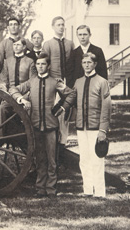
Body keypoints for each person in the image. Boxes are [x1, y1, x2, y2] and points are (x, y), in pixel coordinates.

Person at [10, 53, 76, 198]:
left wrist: (62, 108)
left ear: (48, 66)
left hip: (51, 126)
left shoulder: (55, 82)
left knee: (52, 159)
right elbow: (13, 89)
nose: (40, 67)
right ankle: (40, 188)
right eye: (38, 64)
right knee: (39, 158)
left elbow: (71, 94)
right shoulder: (31, 81)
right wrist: (21, 99)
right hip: (35, 126)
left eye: (43, 64)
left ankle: (51, 188)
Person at [73, 52, 112, 198]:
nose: (87, 65)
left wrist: (103, 129)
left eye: (89, 62)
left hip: (96, 127)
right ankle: (88, 190)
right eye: (84, 63)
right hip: (81, 126)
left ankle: (100, 193)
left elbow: (106, 107)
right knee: (84, 159)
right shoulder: (78, 82)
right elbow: (73, 101)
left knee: (97, 159)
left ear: (95, 64)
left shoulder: (102, 82)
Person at [42, 16, 75, 148]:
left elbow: (72, 62)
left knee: (66, 109)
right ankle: (52, 138)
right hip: (54, 81)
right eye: (58, 25)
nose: (61, 27)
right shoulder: (48, 44)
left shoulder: (70, 43)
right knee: (53, 109)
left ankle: (63, 140)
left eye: (62, 25)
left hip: (66, 81)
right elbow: (45, 63)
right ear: (53, 27)